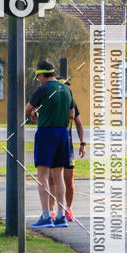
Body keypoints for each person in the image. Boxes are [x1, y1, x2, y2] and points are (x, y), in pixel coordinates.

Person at [24, 59, 74, 229]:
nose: (38, 80)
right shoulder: (66, 89)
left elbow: (27, 111)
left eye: (38, 77)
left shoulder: (42, 89)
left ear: (42, 75)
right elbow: (72, 113)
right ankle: (61, 216)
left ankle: (46, 216)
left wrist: (36, 115)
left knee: (43, 175)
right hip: (63, 133)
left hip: (46, 133)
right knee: (59, 176)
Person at [49, 80, 86, 221]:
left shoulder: (71, 103)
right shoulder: (49, 100)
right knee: (51, 178)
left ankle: (68, 209)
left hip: (67, 143)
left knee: (69, 179)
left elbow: (78, 123)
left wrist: (83, 143)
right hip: (52, 142)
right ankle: (52, 210)